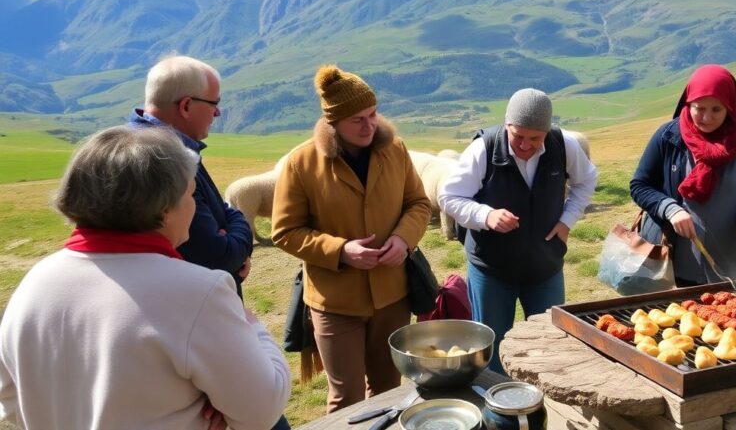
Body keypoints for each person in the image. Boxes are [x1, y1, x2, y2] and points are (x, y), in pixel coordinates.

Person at [0, 126, 290, 430]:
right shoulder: (197, 291)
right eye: (191, 195)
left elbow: (9, 398)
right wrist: (254, 329)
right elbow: (262, 411)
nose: (194, 206)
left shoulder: (34, 283)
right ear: (165, 210)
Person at [271, 65, 430, 412]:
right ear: (333, 123)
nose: (369, 125)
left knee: (389, 391)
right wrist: (341, 251)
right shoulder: (301, 163)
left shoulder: (396, 150)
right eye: (356, 119)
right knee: (346, 400)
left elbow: (418, 203)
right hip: (335, 302)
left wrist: (403, 240)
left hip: (392, 296)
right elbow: (284, 230)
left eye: (373, 114)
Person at [439, 88, 598, 374]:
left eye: (535, 138)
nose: (525, 145)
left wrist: (567, 220)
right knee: (491, 350)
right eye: (518, 136)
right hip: (491, 269)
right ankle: (498, 413)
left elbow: (586, 181)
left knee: (549, 344)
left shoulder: (564, 146)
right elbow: (449, 196)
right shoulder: (484, 148)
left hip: (545, 268)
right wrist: (485, 215)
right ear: (506, 125)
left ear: (547, 131)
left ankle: (542, 410)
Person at [630, 64, 736, 286]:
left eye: (716, 110)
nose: (707, 117)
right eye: (699, 108)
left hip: (732, 266)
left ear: (730, 107)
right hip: (674, 266)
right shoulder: (668, 137)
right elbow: (640, 185)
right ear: (688, 103)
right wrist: (670, 210)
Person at [129, 55, 253, 297]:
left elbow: (224, 212)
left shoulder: (159, 146)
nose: (217, 113)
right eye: (213, 103)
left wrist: (232, 229)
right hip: (190, 310)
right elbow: (218, 256)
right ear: (186, 106)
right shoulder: (164, 160)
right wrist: (240, 237)